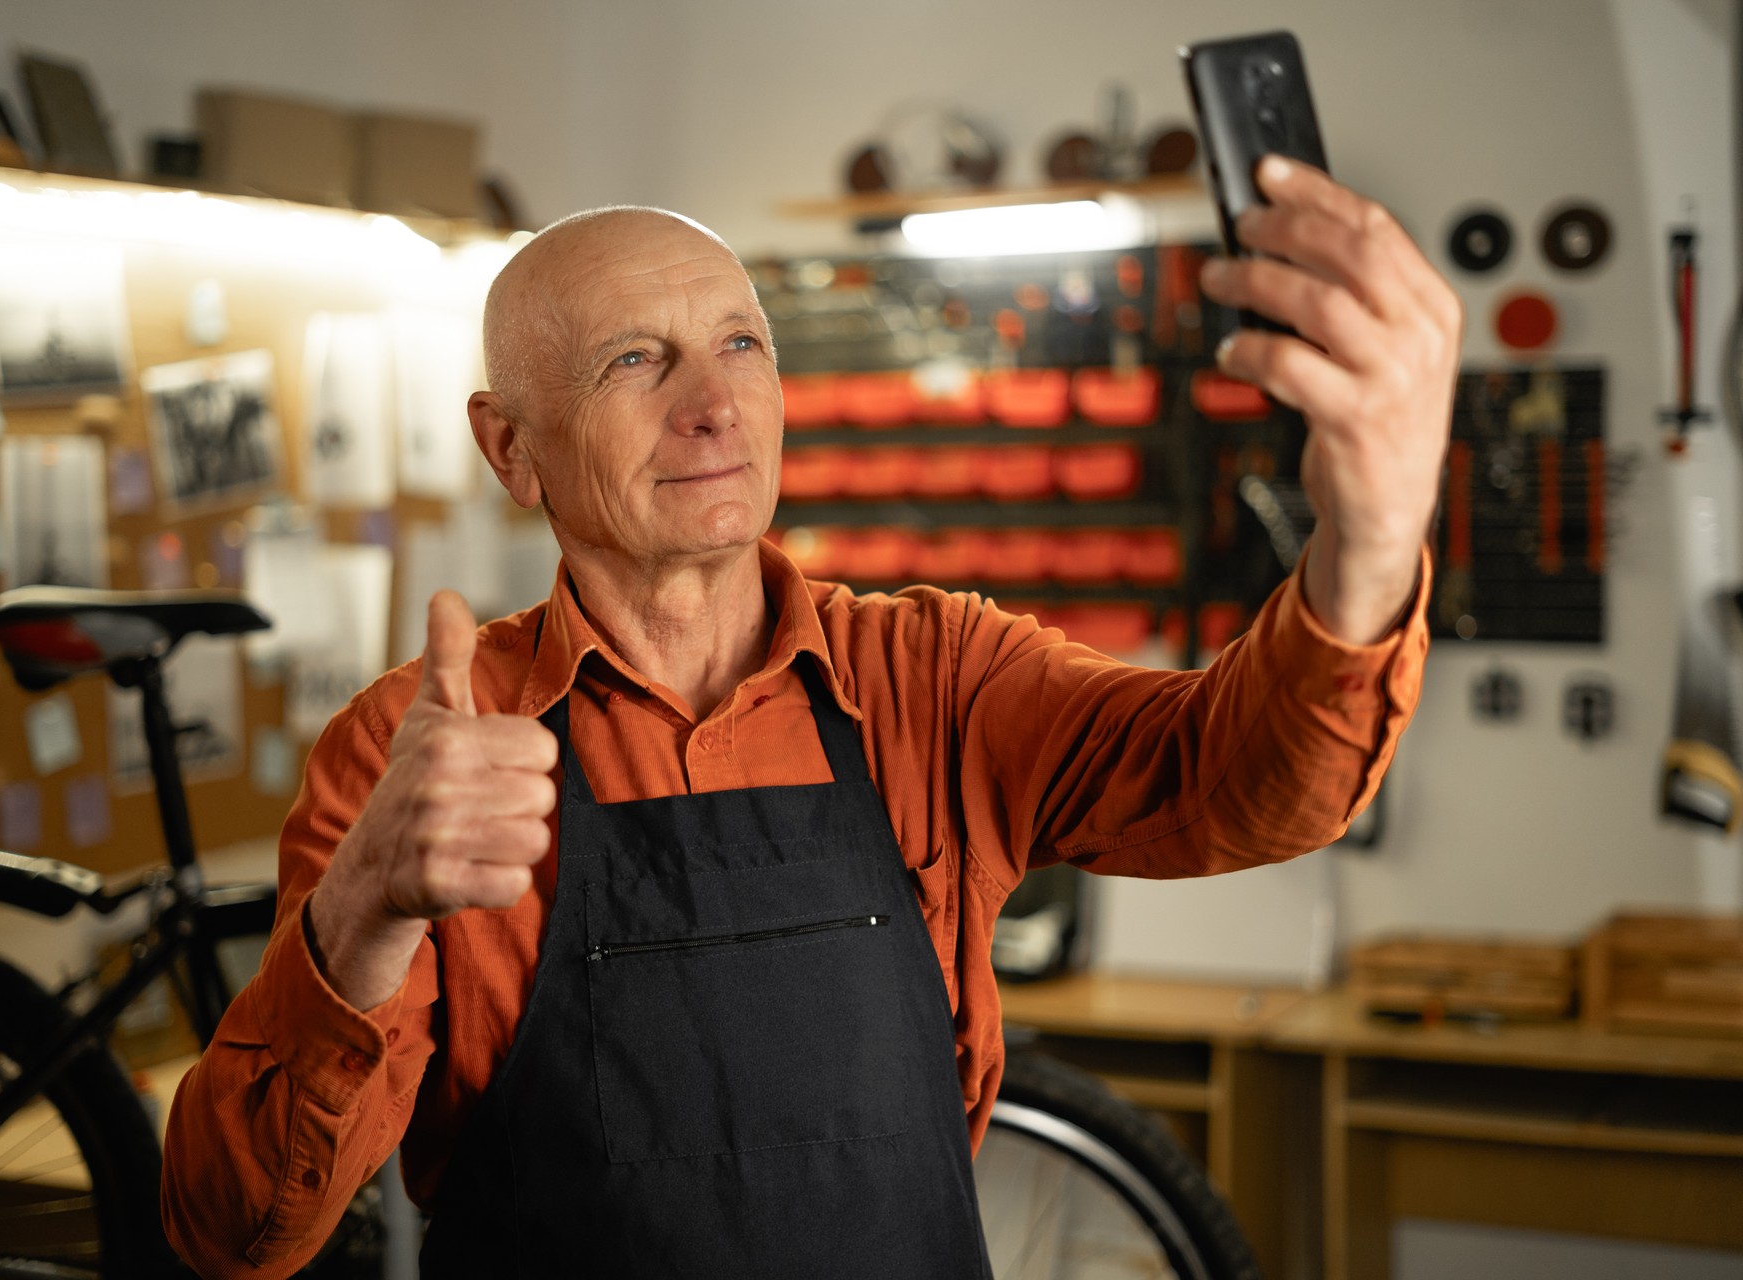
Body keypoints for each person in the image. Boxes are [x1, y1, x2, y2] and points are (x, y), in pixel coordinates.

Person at [163, 155, 1459, 1278]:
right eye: (637, 361)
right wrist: (367, 914)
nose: (714, 403)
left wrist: (1372, 540)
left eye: (742, 344)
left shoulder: (933, 680)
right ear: (512, 450)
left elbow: (1241, 783)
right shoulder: (422, 760)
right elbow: (234, 1231)